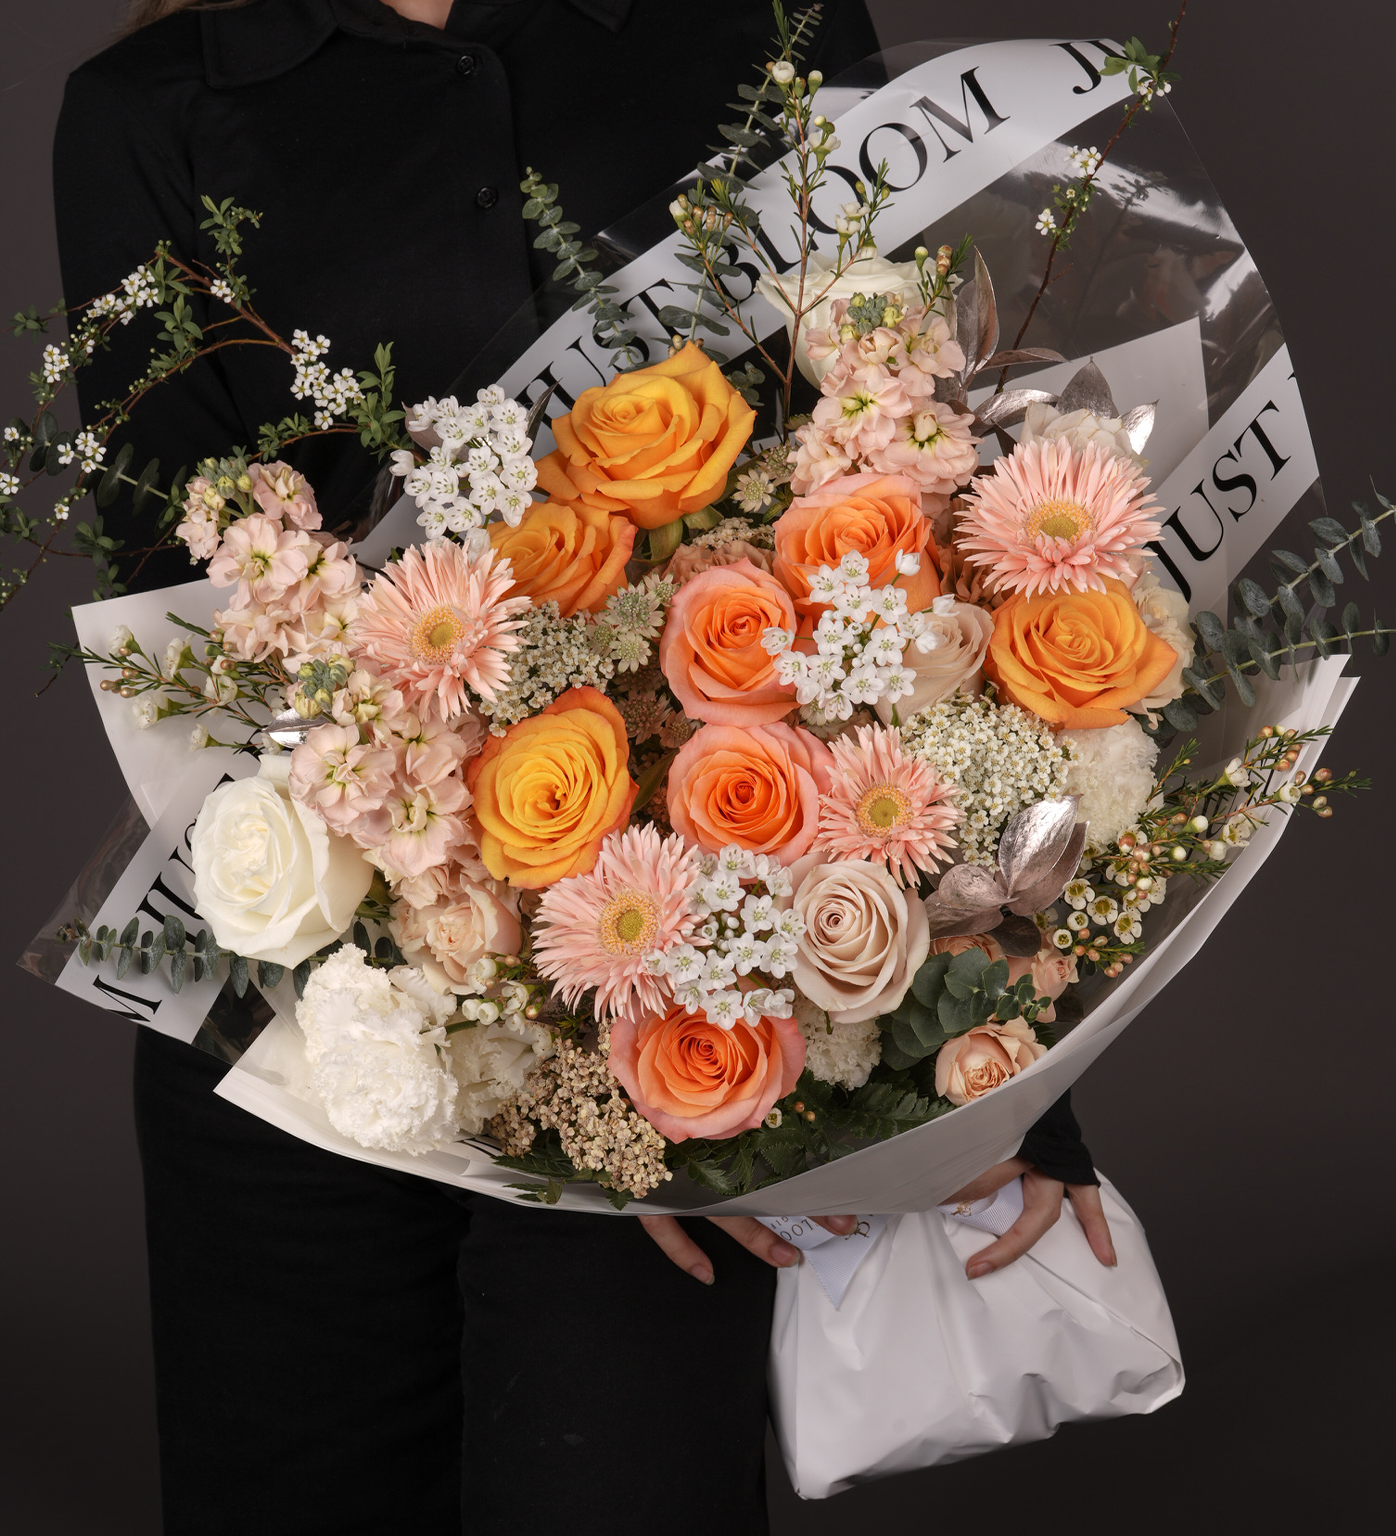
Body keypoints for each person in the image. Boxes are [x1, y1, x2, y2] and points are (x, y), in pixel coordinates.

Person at [54, 3, 1114, 1532]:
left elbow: (905, 486)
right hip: (306, 1040)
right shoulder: (153, 108)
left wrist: (997, 1051)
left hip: (667, 1027)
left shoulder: (760, 18)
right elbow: (190, 608)